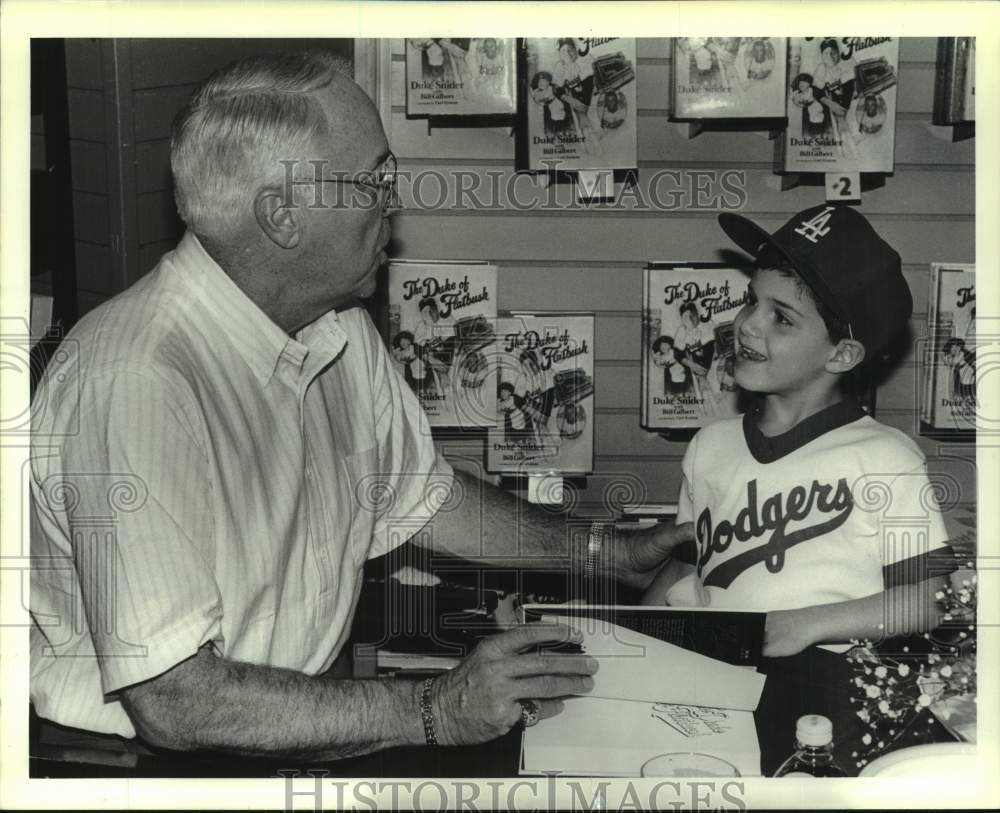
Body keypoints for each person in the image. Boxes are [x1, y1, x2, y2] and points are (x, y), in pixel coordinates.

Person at [29, 52, 691, 758]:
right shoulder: (136, 382)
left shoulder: (335, 325)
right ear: (283, 215)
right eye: (374, 179)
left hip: (289, 727)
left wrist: (604, 553)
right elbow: (177, 701)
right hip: (144, 767)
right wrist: (436, 708)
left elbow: (421, 499)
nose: (391, 201)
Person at [643, 205, 956, 657]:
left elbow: (930, 600)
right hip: (712, 674)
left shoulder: (886, 458)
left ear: (842, 355)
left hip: (823, 683)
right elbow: (684, 570)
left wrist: (803, 625)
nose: (747, 324)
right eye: (751, 300)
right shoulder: (709, 445)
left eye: (782, 318)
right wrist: (630, 649)